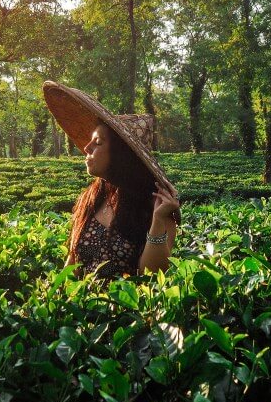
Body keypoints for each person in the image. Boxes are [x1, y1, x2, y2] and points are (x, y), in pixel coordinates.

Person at [43, 81, 181, 278]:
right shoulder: (90, 199)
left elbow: (151, 276)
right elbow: (72, 265)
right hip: (84, 306)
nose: (86, 148)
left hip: (127, 306)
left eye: (97, 142)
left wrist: (158, 221)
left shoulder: (157, 207)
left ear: (120, 154)